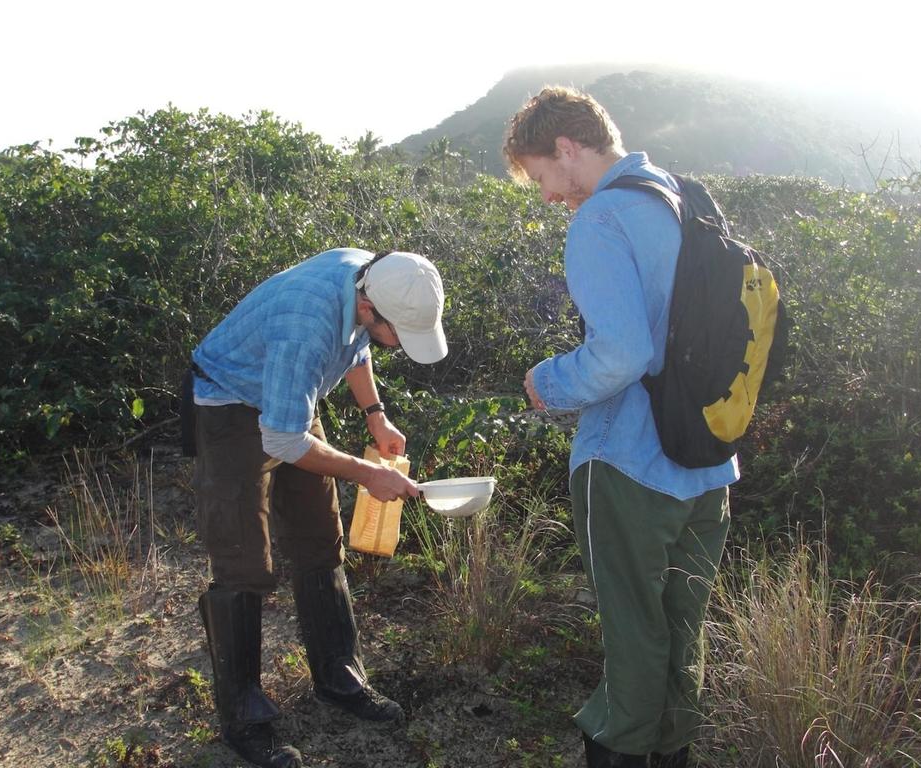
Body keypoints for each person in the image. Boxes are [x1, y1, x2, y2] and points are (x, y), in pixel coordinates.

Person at [504, 87, 736, 768]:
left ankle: (616, 752)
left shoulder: (603, 218)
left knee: (635, 635)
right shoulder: (685, 199)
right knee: (680, 631)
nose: (549, 197)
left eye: (543, 177)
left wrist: (547, 381)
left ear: (567, 149)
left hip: (632, 464)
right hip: (708, 464)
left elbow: (625, 353)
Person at [187, 248, 447, 768]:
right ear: (370, 308)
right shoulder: (306, 323)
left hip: (287, 398)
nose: (400, 345)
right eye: (400, 334)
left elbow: (357, 349)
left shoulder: (370, 273)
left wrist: (375, 415)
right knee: (243, 561)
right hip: (232, 401)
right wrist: (368, 473)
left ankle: (339, 679)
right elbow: (284, 440)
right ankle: (245, 719)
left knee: (319, 540)